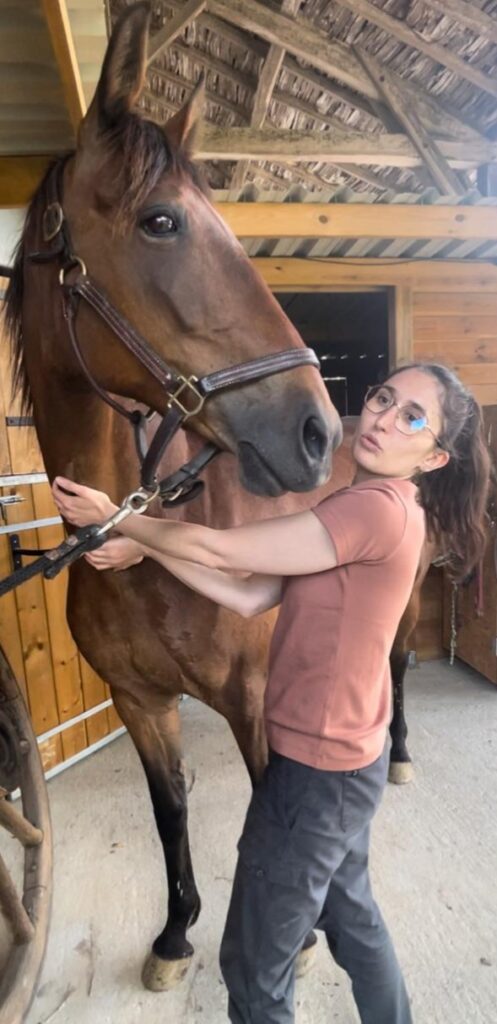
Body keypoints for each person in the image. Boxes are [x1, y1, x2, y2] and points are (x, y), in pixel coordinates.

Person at [53, 363, 490, 1024]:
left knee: (254, 973)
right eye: (382, 397)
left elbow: (223, 552)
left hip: (313, 776)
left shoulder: (375, 509)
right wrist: (149, 552)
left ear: (432, 457)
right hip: (348, 766)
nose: (379, 417)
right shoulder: (363, 505)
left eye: (410, 417)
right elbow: (250, 591)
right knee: (353, 922)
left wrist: (120, 520)